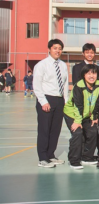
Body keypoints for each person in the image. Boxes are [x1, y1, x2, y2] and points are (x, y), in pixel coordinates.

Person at [33, 39, 69, 168]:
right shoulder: (41, 65)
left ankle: (50, 155)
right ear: (49, 49)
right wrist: (43, 101)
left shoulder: (63, 65)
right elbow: (36, 85)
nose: (58, 51)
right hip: (47, 99)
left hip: (59, 100)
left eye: (60, 48)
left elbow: (65, 84)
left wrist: (65, 100)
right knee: (44, 129)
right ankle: (42, 158)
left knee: (55, 129)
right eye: (55, 48)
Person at [63, 64, 99, 169]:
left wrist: (95, 117)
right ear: (84, 75)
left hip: (87, 115)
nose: (91, 76)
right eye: (88, 73)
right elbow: (78, 105)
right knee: (78, 133)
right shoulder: (79, 86)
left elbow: (98, 102)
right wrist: (77, 121)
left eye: (94, 73)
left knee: (93, 131)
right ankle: (73, 160)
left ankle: (87, 157)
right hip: (72, 114)